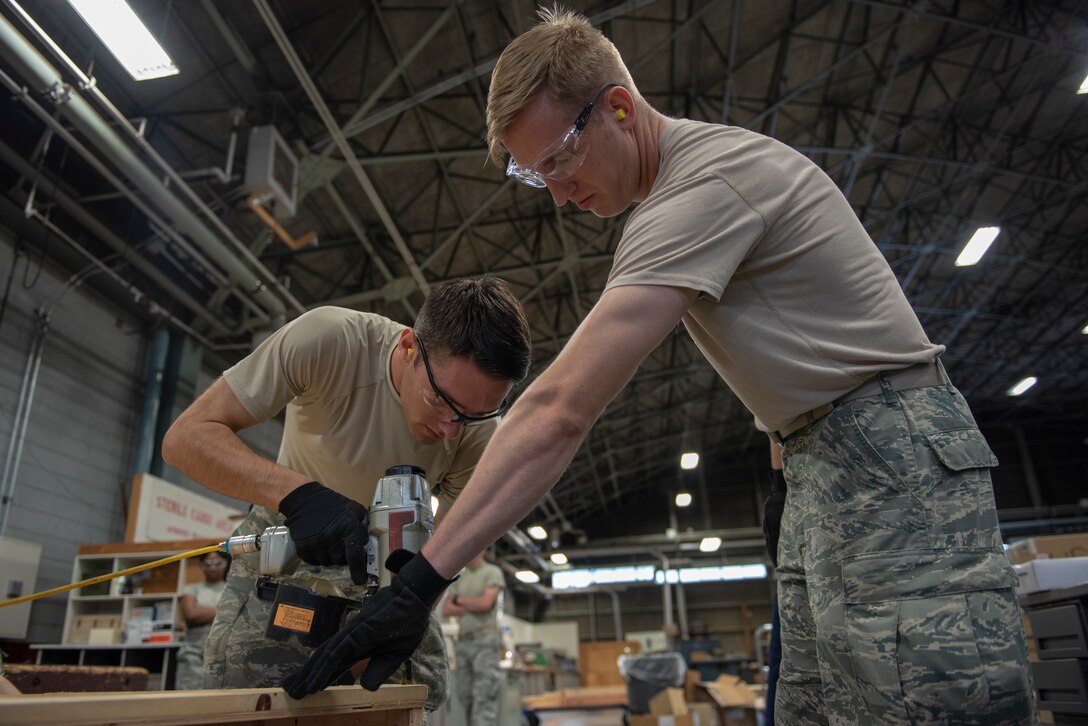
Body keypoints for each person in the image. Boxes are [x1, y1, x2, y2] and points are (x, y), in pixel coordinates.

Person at [281, 7, 1036, 725]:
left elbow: (559, 410)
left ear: (617, 107)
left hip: (891, 457)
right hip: (823, 462)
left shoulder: (700, 188)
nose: (556, 191)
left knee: (924, 698)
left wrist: (422, 580)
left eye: (559, 159)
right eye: (533, 175)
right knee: (820, 701)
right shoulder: (676, 202)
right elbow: (799, 346)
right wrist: (787, 471)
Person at [161, 276, 531, 713]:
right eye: (442, 401)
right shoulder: (330, 341)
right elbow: (186, 438)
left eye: (473, 415)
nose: (451, 429)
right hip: (292, 545)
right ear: (410, 347)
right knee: (249, 700)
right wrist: (298, 493)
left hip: (394, 566)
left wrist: (409, 600)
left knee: (419, 698)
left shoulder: (476, 434)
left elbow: (445, 549)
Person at [440, 551, 505, 726]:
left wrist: (459, 599)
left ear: (482, 550)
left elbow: (486, 603)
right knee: (465, 696)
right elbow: (446, 610)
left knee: (484, 695)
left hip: (485, 641)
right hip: (463, 643)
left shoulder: (492, 572)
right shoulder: (461, 577)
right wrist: (474, 604)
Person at [175, 550, 231, 690]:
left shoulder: (231, 590)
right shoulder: (191, 589)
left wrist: (203, 611)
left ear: (226, 564)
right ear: (201, 565)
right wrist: (225, 611)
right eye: (208, 563)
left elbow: (237, 616)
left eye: (218, 563)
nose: (212, 567)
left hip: (224, 653)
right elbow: (191, 614)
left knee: (218, 699)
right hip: (193, 654)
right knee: (188, 699)